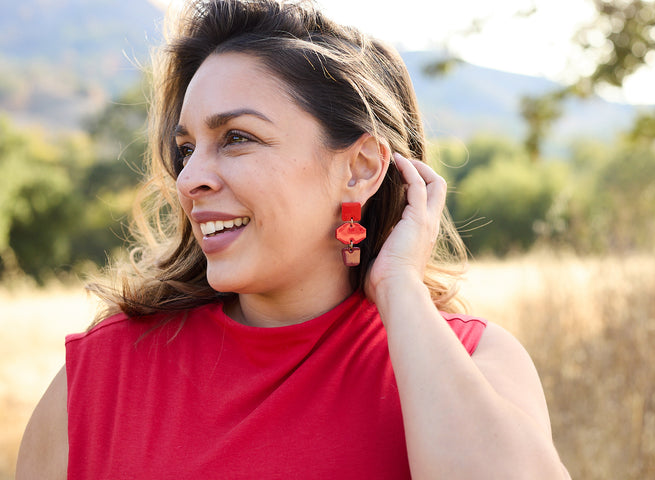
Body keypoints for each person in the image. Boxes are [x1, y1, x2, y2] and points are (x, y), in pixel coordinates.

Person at [16, 0, 570, 478]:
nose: (189, 179)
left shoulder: (475, 362)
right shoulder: (99, 380)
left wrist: (399, 286)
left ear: (359, 168)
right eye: (186, 148)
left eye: (236, 138)